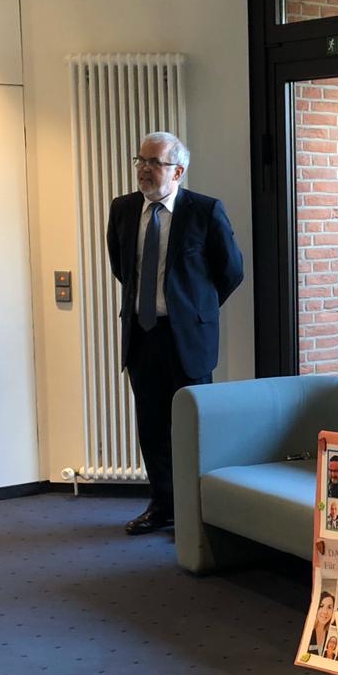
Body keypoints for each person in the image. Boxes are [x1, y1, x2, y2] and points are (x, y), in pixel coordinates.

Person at [107, 132, 243, 535]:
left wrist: (195, 311)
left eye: (155, 162)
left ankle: (197, 514)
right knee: (151, 426)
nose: (145, 169)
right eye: (141, 160)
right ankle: (163, 506)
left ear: (178, 171)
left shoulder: (205, 211)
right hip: (142, 334)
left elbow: (231, 271)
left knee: (192, 429)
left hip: (187, 340)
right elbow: (122, 268)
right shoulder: (123, 209)